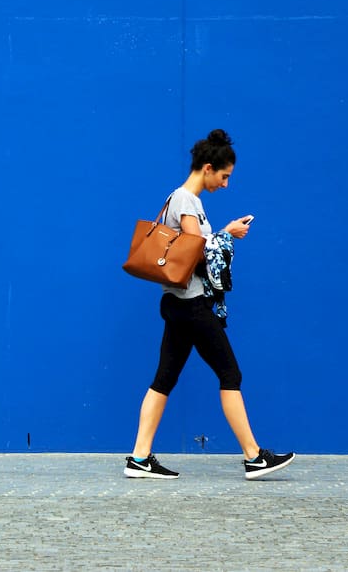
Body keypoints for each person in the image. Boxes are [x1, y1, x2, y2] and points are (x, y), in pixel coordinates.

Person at [124, 129, 294, 480]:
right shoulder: (187, 200)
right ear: (207, 168)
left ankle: (139, 459)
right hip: (191, 305)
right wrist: (227, 233)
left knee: (163, 379)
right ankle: (253, 457)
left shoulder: (185, 200)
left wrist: (221, 235)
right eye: (224, 176)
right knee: (230, 373)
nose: (226, 184)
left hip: (177, 304)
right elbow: (195, 252)